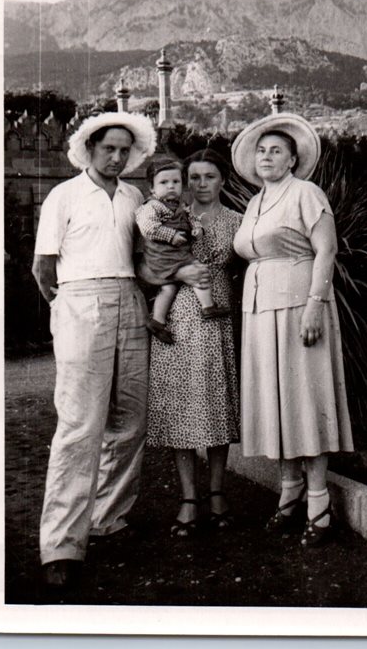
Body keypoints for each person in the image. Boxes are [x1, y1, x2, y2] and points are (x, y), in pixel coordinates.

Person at [31, 111, 156, 592]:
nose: (118, 157)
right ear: (90, 148)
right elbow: (43, 269)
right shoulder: (63, 196)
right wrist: (69, 309)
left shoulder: (134, 196)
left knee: (130, 418)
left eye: (126, 150)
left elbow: (146, 259)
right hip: (80, 300)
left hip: (130, 300)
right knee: (79, 425)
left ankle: (109, 518)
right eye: (110, 149)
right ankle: (61, 544)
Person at [231, 113, 354, 547]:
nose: (267, 157)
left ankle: (319, 506)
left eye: (276, 151)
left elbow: (327, 250)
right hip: (261, 310)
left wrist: (314, 307)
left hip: (300, 304)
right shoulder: (253, 202)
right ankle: (290, 492)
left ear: (293, 159)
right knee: (275, 399)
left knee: (305, 396)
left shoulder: (306, 192)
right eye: (261, 151)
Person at [146, 149, 243, 536]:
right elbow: (143, 263)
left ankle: (217, 493)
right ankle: (188, 498)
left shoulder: (239, 221)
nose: (201, 184)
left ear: (223, 181)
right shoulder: (173, 216)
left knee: (217, 405)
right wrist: (175, 272)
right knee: (179, 406)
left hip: (217, 314)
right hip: (179, 317)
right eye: (195, 177)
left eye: (210, 177)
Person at [136, 157, 231, 344]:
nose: (171, 186)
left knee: (169, 287)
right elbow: (147, 227)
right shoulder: (152, 206)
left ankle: (157, 320)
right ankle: (208, 306)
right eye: (164, 183)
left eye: (176, 182)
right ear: (152, 189)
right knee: (197, 269)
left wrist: (197, 229)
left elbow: (191, 219)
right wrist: (170, 236)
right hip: (165, 255)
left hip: (174, 257)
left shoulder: (181, 207)